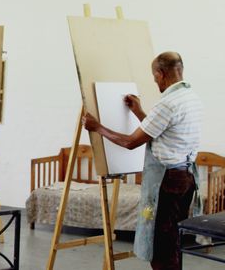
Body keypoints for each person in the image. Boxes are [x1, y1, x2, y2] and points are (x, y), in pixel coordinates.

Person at [83, 51, 203, 270]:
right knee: (172, 241)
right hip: (185, 178)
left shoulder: (167, 104)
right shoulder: (190, 97)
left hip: (167, 181)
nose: (155, 81)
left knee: (160, 245)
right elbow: (159, 130)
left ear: (161, 73)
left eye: (155, 76)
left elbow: (130, 142)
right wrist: (138, 112)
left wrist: (97, 127)